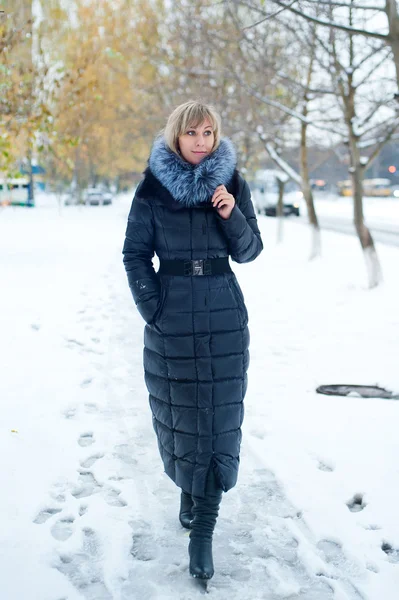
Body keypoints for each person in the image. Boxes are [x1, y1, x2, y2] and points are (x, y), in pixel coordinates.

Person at [122, 100, 263, 580]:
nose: (201, 141)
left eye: (209, 132)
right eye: (192, 133)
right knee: (182, 414)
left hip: (224, 313)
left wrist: (231, 215)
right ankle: (189, 485)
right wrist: (153, 307)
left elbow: (250, 251)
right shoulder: (153, 188)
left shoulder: (233, 183)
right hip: (173, 316)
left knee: (219, 416)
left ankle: (203, 528)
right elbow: (135, 254)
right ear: (176, 137)